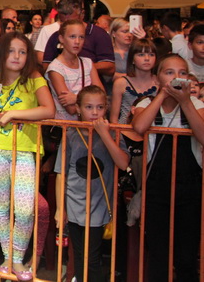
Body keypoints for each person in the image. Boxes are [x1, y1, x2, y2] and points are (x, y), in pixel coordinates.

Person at [0, 32, 55, 281]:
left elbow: (49, 110)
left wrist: (12, 114)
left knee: (24, 210)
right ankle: (9, 259)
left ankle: (16, 259)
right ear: (1, 54)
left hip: (24, 151)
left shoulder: (34, 79)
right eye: (12, 51)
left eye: (22, 52)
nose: (17, 56)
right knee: (1, 208)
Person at [132, 54, 204, 282]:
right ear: (157, 77)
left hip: (190, 185)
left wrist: (185, 102)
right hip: (157, 185)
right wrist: (162, 94)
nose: (176, 77)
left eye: (182, 73)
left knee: (186, 254)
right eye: (169, 72)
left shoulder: (197, 105)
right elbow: (139, 126)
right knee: (158, 252)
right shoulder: (146, 103)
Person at [55, 86, 129, 282]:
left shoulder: (114, 133)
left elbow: (123, 163)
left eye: (100, 107)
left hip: (98, 204)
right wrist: (60, 209)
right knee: (79, 254)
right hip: (74, 202)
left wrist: (104, 134)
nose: (95, 112)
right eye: (89, 107)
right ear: (78, 109)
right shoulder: (70, 134)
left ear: (106, 108)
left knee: (92, 257)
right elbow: (61, 173)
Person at [45, 20, 103, 122]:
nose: (77, 41)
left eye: (81, 37)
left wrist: (76, 98)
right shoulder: (55, 68)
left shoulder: (88, 63)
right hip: (66, 127)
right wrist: (91, 101)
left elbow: (102, 97)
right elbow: (71, 109)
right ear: (61, 39)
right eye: (72, 37)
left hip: (89, 125)